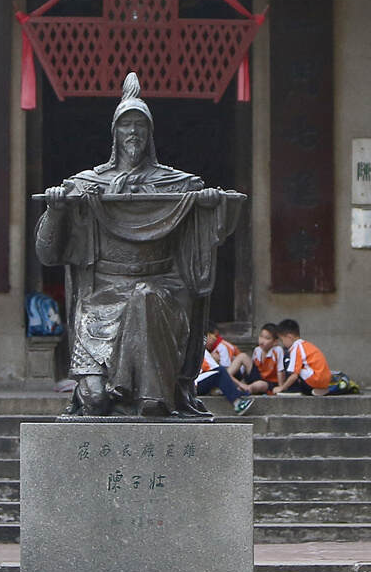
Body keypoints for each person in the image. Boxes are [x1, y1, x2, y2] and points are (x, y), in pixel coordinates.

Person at [34, 73, 245, 417]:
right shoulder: (88, 185)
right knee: (95, 401)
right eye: (125, 126)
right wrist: (56, 211)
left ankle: (154, 396)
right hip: (100, 298)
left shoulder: (175, 184)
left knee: (143, 297)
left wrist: (209, 206)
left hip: (159, 289)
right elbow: (48, 253)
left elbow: (218, 229)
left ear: (150, 135)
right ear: (114, 134)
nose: (133, 133)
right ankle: (108, 386)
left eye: (140, 126)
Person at [195, 329, 256, 414]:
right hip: (195, 385)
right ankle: (237, 403)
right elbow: (218, 370)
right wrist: (240, 384)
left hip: (193, 385)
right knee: (220, 371)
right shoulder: (201, 351)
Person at [272, 318, 332, 395]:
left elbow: (294, 375)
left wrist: (282, 387)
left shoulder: (296, 348)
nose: (282, 343)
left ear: (289, 337)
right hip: (324, 381)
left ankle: (294, 390)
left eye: (282, 340)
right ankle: (320, 389)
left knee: (289, 363)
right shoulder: (305, 345)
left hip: (315, 379)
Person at [239, 323, 282, 396]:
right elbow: (253, 369)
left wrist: (281, 387)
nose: (262, 341)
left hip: (269, 382)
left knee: (260, 384)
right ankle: (225, 378)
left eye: (267, 338)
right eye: (261, 336)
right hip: (258, 376)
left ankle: (247, 389)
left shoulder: (277, 350)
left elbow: (280, 370)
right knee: (242, 356)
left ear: (275, 342)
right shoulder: (257, 350)